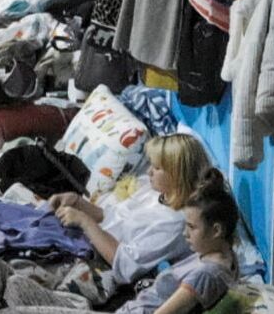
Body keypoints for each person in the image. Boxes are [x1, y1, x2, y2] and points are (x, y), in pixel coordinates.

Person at [45, 134, 219, 296]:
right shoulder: (156, 192)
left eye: (157, 168)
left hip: (101, 264)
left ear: (178, 175)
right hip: (88, 243)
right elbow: (111, 216)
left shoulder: (173, 225)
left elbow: (124, 264)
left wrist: (85, 222)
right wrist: (78, 202)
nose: (149, 171)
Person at [115, 177, 241, 314]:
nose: (185, 233)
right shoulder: (222, 255)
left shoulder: (205, 274)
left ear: (216, 230)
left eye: (191, 227)